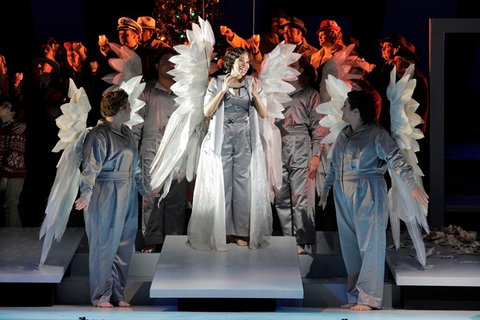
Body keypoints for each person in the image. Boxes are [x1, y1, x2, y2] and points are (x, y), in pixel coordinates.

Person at [319, 90, 429, 311]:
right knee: (349, 246)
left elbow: (396, 159)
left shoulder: (377, 134)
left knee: (369, 245)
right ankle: (355, 294)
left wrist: (413, 185)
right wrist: (326, 188)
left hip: (367, 190)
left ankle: (369, 297)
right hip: (343, 192)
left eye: (345, 106)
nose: (342, 109)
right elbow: (334, 164)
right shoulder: (344, 134)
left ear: (356, 111)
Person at [187, 47, 270, 250]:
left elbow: (264, 113)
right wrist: (222, 91)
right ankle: (222, 232)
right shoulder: (216, 82)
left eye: (248, 61)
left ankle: (241, 232)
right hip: (222, 137)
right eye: (241, 60)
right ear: (231, 62)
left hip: (243, 137)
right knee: (222, 184)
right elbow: (207, 111)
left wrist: (255, 95)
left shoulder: (252, 83)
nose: (245, 65)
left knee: (242, 185)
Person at [74, 89, 147, 308]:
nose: (131, 110)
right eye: (128, 106)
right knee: (104, 243)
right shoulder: (99, 134)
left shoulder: (126, 131)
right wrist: (86, 194)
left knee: (124, 243)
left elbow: (135, 166)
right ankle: (101, 295)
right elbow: (90, 167)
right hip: (105, 191)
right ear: (120, 109)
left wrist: (144, 189)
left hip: (127, 192)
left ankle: (117, 293)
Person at [132, 47, 188, 253]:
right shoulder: (146, 90)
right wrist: (133, 153)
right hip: (152, 150)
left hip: (178, 151)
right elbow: (136, 124)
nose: (170, 63)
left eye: (173, 60)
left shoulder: (184, 92)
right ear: (156, 65)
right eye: (165, 60)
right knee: (152, 197)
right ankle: (152, 241)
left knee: (176, 199)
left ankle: (174, 242)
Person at [274, 55, 328, 254]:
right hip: (278, 145)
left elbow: (319, 127)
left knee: (302, 196)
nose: (289, 67)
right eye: (286, 64)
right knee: (281, 196)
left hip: (301, 145)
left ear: (301, 69)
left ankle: (302, 243)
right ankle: (289, 242)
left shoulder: (309, 94)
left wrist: (315, 154)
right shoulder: (275, 93)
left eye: (293, 64)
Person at [98, 17, 157, 83]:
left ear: (134, 36)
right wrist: (105, 49)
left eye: (125, 35)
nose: (121, 37)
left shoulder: (149, 55)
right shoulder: (115, 55)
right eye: (120, 34)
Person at [63, 41, 105, 126]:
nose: (70, 58)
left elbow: (94, 75)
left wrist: (93, 71)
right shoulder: (67, 75)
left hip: (91, 114)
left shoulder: (87, 71)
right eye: (68, 55)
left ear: (79, 56)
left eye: (73, 55)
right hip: (75, 117)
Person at [220, 9, 289, 59]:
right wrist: (232, 36)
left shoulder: (291, 40)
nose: (277, 24)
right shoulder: (262, 39)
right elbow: (245, 45)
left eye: (280, 21)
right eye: (274, 21)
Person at [0, 99, 26, 227]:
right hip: (6, 172)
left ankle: (14, 237)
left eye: (5, 106)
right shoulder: (3, 129)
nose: (1, 107)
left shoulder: (15, 130)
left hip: (14, 174)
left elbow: (15, 154)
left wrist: (5, 174)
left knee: (10, 204)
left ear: (12, 113)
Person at [310, 19, 346, 101]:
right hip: (316, 96)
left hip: (333, 96)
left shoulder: (341, 54)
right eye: (319, 35)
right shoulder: (315, 56)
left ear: (332, 34)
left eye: (323, 34)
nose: (319, 37)